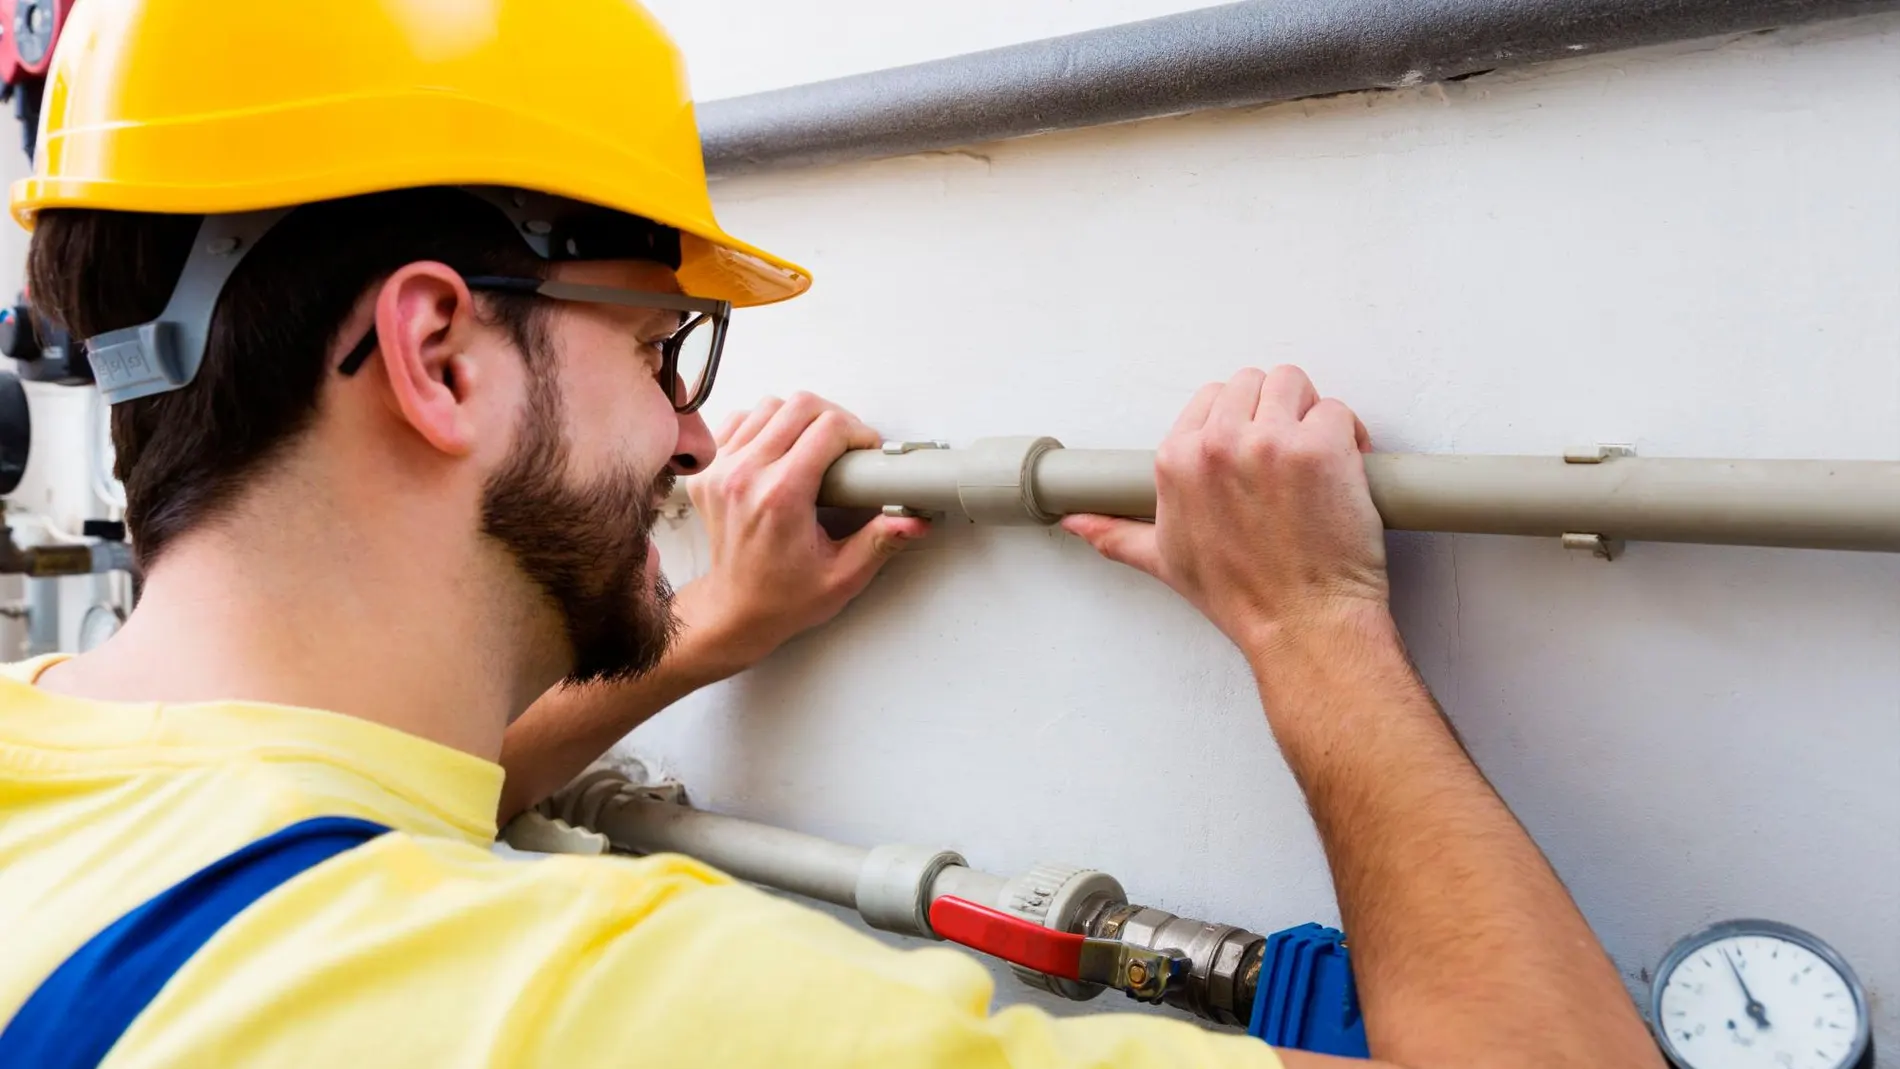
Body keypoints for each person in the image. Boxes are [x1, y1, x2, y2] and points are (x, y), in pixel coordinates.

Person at [0, 1, 1664, 1067]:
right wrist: (1317, 633)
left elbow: (310, 825)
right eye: (662, 351)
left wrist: (703, 630)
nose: (698, 436)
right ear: (441, 355)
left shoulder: (61, 785)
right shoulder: (591, 1011)